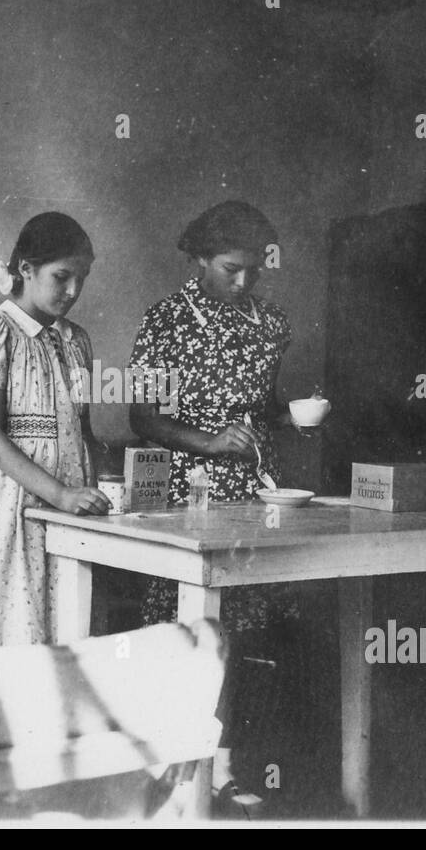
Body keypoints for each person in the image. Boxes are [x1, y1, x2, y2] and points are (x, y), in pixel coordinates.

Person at [128, 200, 298, 815]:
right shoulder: (167, 321)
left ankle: (222, 769)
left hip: (257, 492)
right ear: (200, 257)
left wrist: (294, 417)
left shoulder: (271, 322)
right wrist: (209, 441)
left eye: (255, 269)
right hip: (189, 491)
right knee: (188, 633)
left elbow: (265, 404)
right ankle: (168, 773)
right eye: (232, 268)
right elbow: (142, 417)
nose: (245, 281)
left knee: (244, 636)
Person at [0, 212, 110, 651]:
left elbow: (83, 429)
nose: (73, 291)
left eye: (81, 279)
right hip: (17, 503)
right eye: (62, 277)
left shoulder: (77, 340)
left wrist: (101, 480)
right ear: (25, 269)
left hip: (74, 497)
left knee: (72, 619)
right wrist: (59, 494)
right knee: (18, 623)